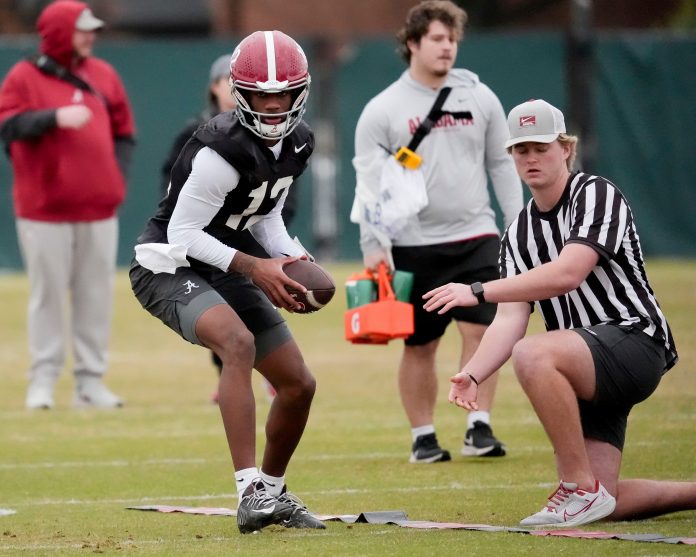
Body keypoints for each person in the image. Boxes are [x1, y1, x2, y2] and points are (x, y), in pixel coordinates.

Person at [423, 98, 696, 527]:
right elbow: (511, 318)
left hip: (635, 341)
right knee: (608, 503)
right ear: (511, 156)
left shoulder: (595, 194)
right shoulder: (518, 232)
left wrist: (476, 289)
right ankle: (612, 493)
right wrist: (473, 372)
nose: (531, 158)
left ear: (566, 148)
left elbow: (568, 273)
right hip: (583, 363)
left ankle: (577, 486)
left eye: (541, 147)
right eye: (521, 150)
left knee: (533, 354)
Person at [129, 30, 325, 534]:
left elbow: (267, 215)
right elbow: (183, 233)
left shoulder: (299, 142)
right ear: (241, 92)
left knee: (299, 384)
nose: (275, 104)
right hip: (168, 263)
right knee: (236, 344)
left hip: (228, 258)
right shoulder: (220, 151)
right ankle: (248, 492)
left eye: (284, 93)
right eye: (263, 93)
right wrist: (257, 267)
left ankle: (275, 493)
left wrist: (288, 257)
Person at [352, 0, 523, 463]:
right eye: (437, 39)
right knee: (421, 344)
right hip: (413, 243)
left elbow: (501, 164)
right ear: (412, 43)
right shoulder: (382, 109)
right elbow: (368, 185)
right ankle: (423, 437)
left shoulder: (480, 97)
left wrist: (517, 225)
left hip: (477, 235)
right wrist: (374, 246)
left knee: (482, 329)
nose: (448, 47)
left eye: (453, 40)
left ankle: (478, 426)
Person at [0, 0, 135, 410]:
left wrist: (115, 179)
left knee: (96, 297)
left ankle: (90, 383)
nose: (90, 36)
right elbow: (8, 124)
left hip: (98, 209)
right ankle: (42, 382)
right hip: (45, 211)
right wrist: (53, 117)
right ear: (59, 32)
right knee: (48, 297)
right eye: (82, 29)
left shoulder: (104, 74)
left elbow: (124, 132)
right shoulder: (24, 76)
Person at [160, 53, 298, 403]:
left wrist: (286, 252)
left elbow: (276, 204)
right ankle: (234, 381)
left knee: (256, 316)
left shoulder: (292, 137)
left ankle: (268, 374)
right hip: (202, 238)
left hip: (250, 235)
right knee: (226, 326)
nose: (270, 101)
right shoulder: (201, 137)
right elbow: (175, 202)